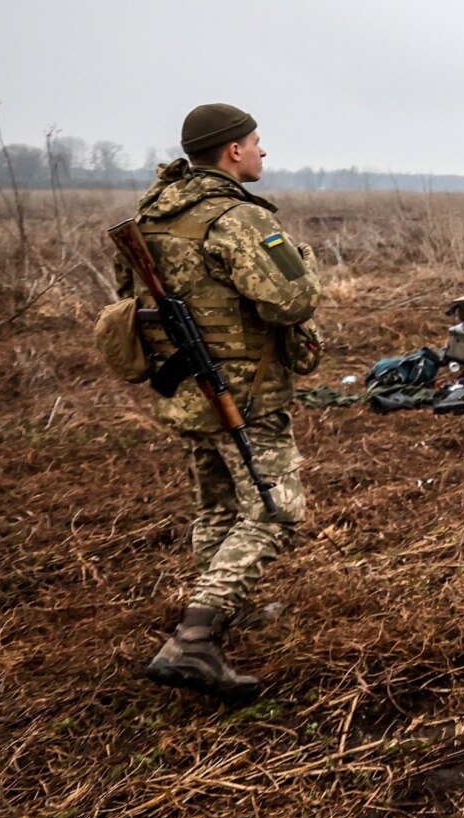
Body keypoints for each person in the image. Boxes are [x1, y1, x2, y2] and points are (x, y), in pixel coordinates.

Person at [115, 103, 322, 700]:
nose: (262, 152)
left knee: (221, 510)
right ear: (232, 150)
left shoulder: (153, 215)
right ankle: (195, 639)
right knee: (276, 511)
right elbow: (292, 300)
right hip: (243, 391)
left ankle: (217, 619)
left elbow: (130, 300)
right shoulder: (236, 218)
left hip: (184, 386)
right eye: (257, 142)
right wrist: (304, 261)